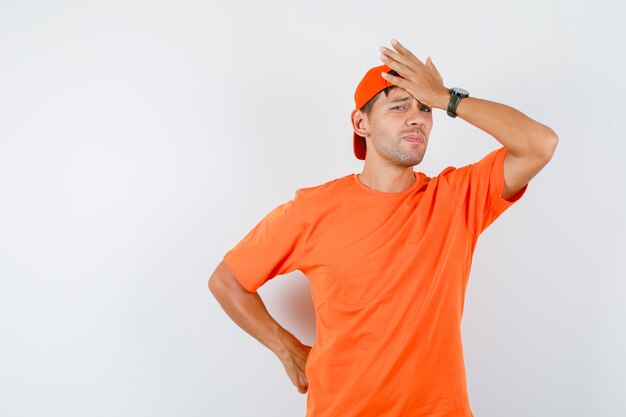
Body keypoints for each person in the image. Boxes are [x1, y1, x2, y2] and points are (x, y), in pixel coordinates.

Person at [209, 38, 558, 417]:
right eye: (399, 106)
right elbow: (228, 281)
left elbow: (540, 144)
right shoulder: (312, 209)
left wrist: (447, 98)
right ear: (362, 123)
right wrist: (285, 347)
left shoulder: (456, 199)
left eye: (424, 108)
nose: (417, 117)